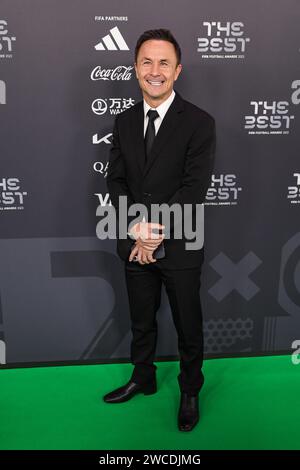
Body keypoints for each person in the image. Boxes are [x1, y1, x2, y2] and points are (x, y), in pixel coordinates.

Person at [104, 29, 216, 432]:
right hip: (135, 242)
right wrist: (137, 229)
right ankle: (143, 377)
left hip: (182, 241)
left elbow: (193, 187)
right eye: (146, 62)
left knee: (188, 321)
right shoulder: (124, 121)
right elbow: (115, 182)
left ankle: (189, 390)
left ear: (178, 70)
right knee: (141, 318)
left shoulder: (200, 123)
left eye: (163, 63)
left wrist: (157, 231)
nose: (155, 71)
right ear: (135, 69)